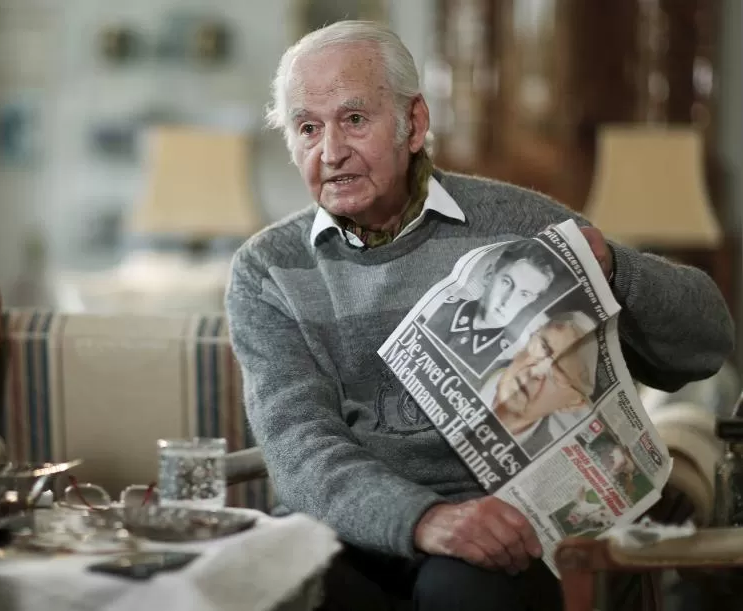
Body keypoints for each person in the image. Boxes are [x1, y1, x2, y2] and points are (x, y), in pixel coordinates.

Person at [225, 20, 734, 611]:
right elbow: (299, 447)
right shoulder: (267, 269)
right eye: (307, 128)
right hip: (347, 532)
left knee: (472, 589)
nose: (331, 151)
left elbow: (706, 344)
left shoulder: (514, 222)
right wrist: (426, 518)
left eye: (355, 119)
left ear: (414, 124)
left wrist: (619, 268)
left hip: (501, 536)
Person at [423, 240, 559, 376]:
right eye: (506, 282)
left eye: (524, 294)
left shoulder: (504, 360)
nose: (507, 301)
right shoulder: (437, 308)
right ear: (489, 274)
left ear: (531, 301)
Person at [483, 311, 599, 458]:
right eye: (543, 346)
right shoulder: (466, 358)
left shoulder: (548, 458)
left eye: (560, 373)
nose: (535, 372)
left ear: (574, 403)